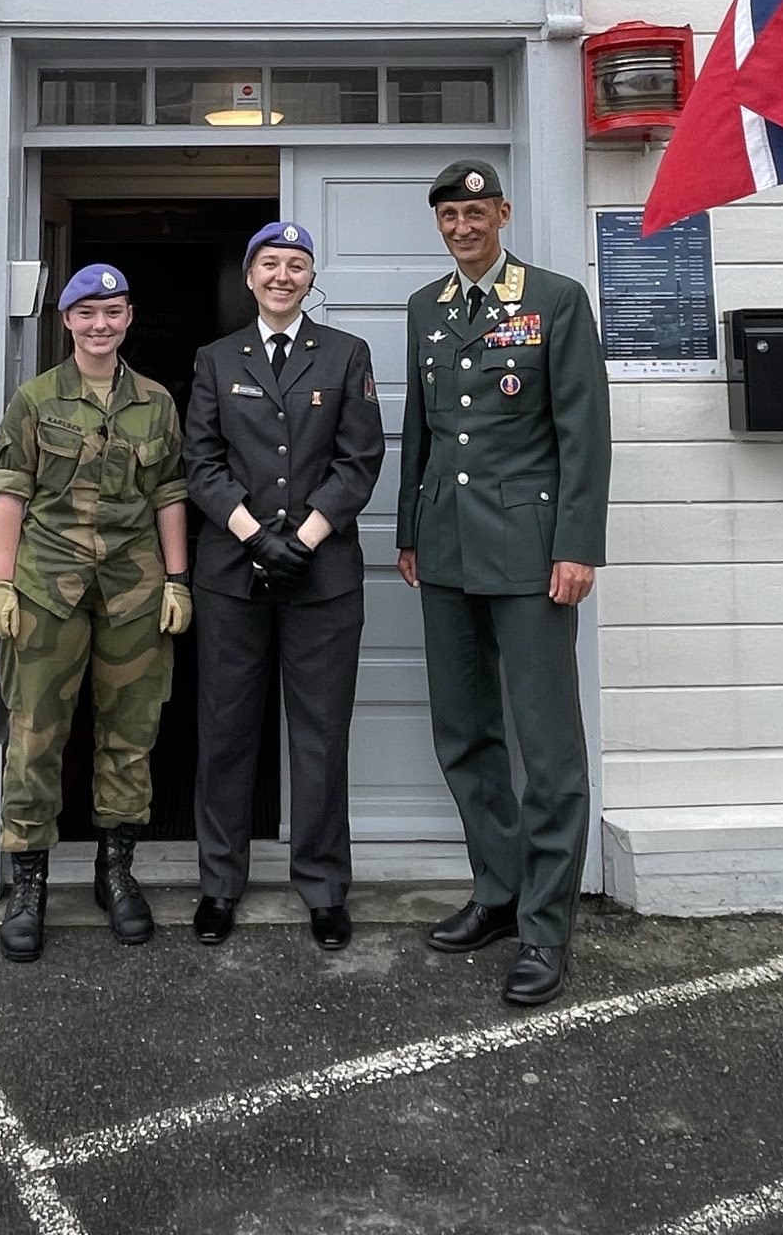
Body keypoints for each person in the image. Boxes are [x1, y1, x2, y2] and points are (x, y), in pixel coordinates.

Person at [396, 162, 610, 1007]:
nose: (462, 227)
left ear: (502, 214)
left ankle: (547, 928)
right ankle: (498, 890)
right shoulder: (427, 308)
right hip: (446, 548)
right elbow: (421, 427)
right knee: (464, 731)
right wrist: (411, 532)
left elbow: (583, 430)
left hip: (530, 553)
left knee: (548, 746)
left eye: (475, 212)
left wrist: (577, 546)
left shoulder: (554, 301)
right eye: (450, 215)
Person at [0, 263, 192, 964]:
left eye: (113, 312)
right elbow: (10, 493)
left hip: (134, 589)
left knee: (129, 732)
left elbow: (169, 494)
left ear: (129, 318)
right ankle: (30, 883)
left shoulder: (157, 402)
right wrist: (2, 584)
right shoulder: (36, 400)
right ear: (66, 321)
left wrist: (179, 580)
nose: (100, 325)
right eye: (86, 313)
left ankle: (115, 871)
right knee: (36, 732)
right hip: (48, 589)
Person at [184, 220, 385, 950]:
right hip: (233, 576)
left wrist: (300, 540)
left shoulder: (344, 354)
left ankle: (326, 888)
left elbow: (359, 461)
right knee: (227, 733)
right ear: (249, 275)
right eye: (270, 263)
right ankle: (219, 884)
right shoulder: (215, 358)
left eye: (296, 265)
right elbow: (200, 462)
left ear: (309, 278)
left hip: (321, 576)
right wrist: (253, 535)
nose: (282, 276)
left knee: (321, 737)